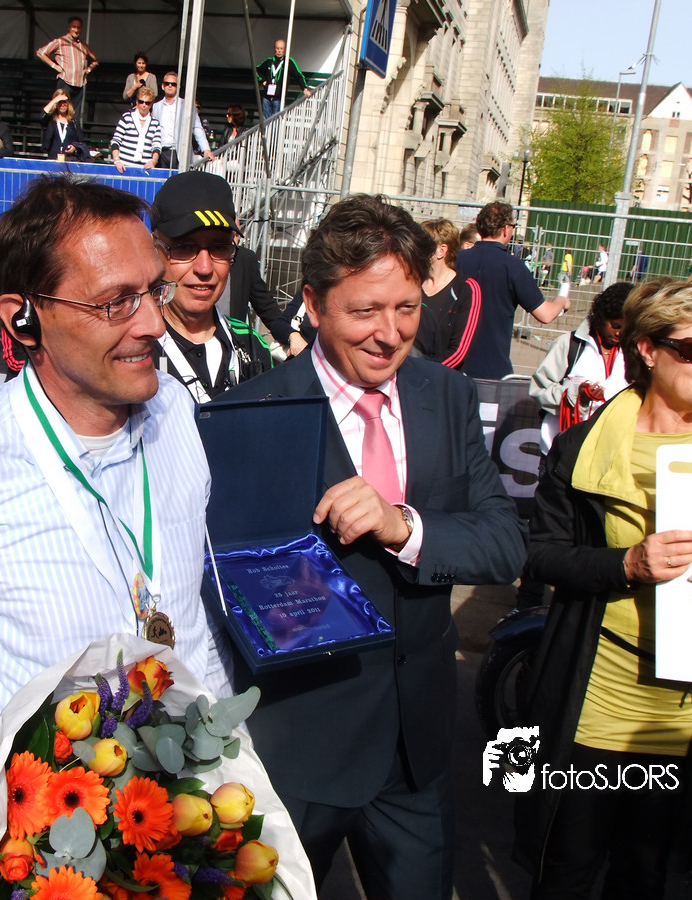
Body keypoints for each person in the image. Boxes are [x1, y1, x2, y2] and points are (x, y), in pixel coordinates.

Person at [0, 174, 233, 842]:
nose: (153, 324)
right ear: (23, 316)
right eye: (115, 303)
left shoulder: (178, 415)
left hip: (186, 829)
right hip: (37, 855)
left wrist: (231, 761)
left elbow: (188, 619)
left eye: (153, 290)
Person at [219, 195, 527, 899]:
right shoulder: (252, 414)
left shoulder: (446, 396)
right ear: (313, 304)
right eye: (365, 311)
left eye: (407, 308)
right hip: (298, 749)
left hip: (416, 753)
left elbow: (504, 543)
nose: (390, 334)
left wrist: (405, 526)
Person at [515, 280, 692, 898]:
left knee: (644, 879)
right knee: (565, 872)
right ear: (647, 348)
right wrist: (628, 565)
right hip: (597, 707)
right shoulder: (584, 448)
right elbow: (541, 553)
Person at [150, 171, 270, 402]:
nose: (204, 268)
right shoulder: (132, 346)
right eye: (184, 247)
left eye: (219, 248)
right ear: (154, 248)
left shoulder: (252, 345)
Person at [457, 201, 569, 379]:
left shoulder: (457, 259)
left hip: (453, 363)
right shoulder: (513, 266)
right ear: (505, 229)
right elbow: (545, 314)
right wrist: (561, 300)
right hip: (492, 368)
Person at [530, 281, 632, 455]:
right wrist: (577, 395)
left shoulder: (635, 352)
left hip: (608, 452)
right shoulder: (570, 345)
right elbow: (538, 389)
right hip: (562, 450)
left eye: (627, 328)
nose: (619, 333)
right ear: (601, 316)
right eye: (615, 325)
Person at [416, 218, 480, 370]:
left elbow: (459, 351)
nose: (415, 250)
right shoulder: (412, 282)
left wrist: (425, 372)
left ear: (441, 250)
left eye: (421, 246)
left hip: (440, 376)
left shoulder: (466, 289)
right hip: (405, 372)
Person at [35, 16, 98, 119]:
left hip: (79, 84)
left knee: (75, 115)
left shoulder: (83, 45)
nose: (76, 30)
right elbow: (40, 53)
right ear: (69, 28)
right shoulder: (61, 41)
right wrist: (54, 66)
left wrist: (88, 70)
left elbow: (95, 60)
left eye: (78, 27)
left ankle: (72, 129)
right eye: (74, 27)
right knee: (60, 111)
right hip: (65, 81)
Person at [152, 72, 214, 168]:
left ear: (178, 87)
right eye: (167, 83)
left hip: (179, 152)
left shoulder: (187, 105)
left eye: (173, 84)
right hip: (161, 153)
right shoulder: (156, 106)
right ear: (163, 86)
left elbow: (196, 127)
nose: (170, 86)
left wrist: (205, 149)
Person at [255, 38, 312, 119]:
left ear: (285, 50)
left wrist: (304, 88)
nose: (279, 51)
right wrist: (263, 80)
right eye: (277, 48)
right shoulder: (269, 61)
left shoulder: (288, 62)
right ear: (274, 49)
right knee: (265, 122)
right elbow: (256, 70)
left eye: (281, 49)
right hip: (266, 98)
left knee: (276, 121)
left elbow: (299, 75)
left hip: (279, 99)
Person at [110, 87, 161, 172]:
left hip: (145, 169)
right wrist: (116, 160)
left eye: (147, 103)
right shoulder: (126, 117)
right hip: (123, 167)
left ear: (151, 104)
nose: (144, 105)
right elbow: (116, 140)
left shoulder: (155, 123)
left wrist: (154, 161)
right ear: (137, 101)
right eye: (141, 102)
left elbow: (156, 146)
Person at [39, 89, 88, 160]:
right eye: (60, 102)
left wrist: (74, 147)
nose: (62, 104)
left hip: (69, 161)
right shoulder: (51, 121)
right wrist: (54, 100)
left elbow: (82, 142)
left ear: (68, 103)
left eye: (65, 102)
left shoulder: (73, 122)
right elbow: (41, 117)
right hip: (53, 159)